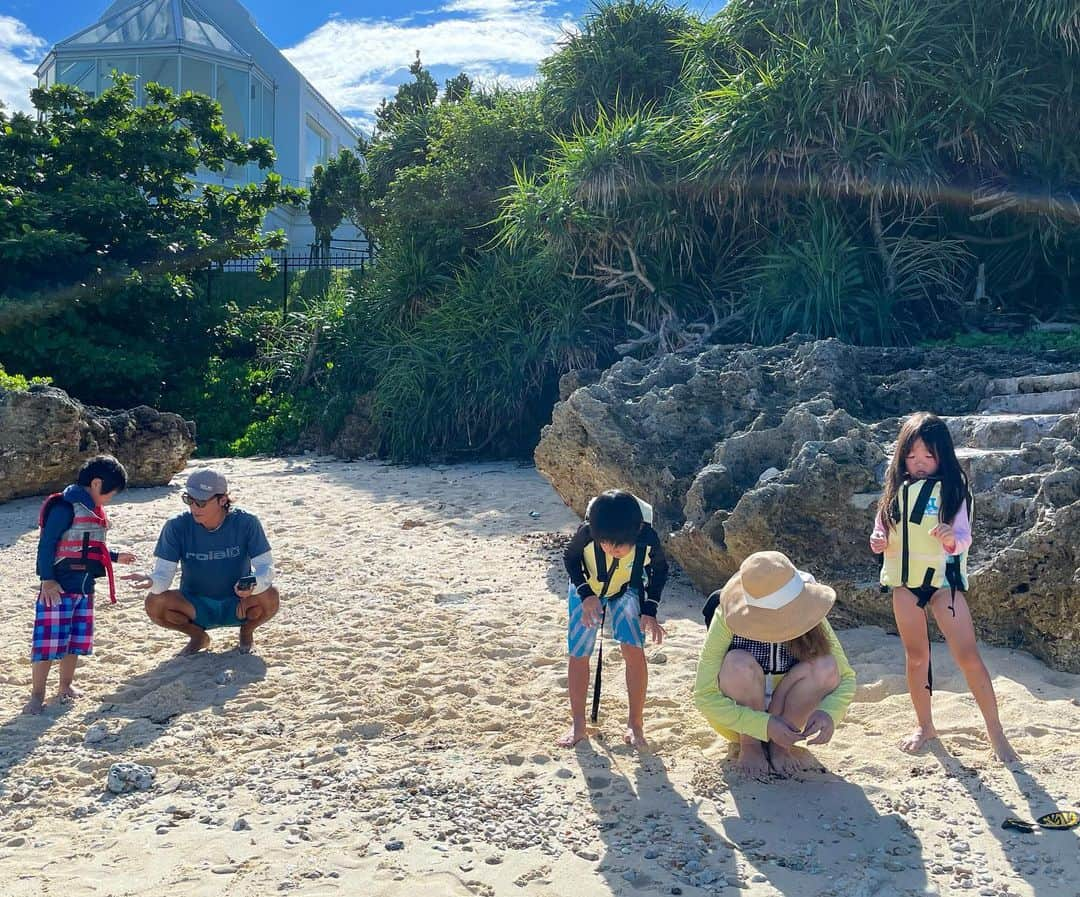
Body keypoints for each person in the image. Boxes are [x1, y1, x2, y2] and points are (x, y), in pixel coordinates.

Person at [870, 411, 1018, 762]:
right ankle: (925, 725)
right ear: (901, 455)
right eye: (912, 455)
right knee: (917, 657)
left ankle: (995, 730)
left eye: (928, 456)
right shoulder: (894, 493)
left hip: (943, 586)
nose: (919, 463)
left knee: (968, 656)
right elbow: (881, 530)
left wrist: (952, 538)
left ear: (943, 456)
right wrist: (877, 539)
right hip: (906, 586)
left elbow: (964, 538)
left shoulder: (953, 491)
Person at [694, 550, 856, 777]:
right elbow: (703, 695)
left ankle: (781, 746)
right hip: (738, 721)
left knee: (826, 666)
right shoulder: (727, 615)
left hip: (793, 712)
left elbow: (846, 677)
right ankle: (751, 745)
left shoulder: (810, 609)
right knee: (737, 663)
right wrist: (762, 725)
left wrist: (829, 713)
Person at [24, 455, 137, 715]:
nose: (110, 500)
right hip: (58, 589)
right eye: (111, 494)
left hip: (84, 590)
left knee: (74, 642)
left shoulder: (93, 512)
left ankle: (65, 686)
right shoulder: (64, 507)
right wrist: (47, 580)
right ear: (97, 484)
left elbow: (91, 550)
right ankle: (36, 696)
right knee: (47, 645)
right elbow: (47, 544)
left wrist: (117, 557)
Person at [558, 490, 668, 749]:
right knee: (579, 651)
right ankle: (578, 724)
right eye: (605, 542)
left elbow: (660, 570)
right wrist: (585, 595)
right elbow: (570, 559)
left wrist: (650, 610)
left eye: (619, 544)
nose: (612, 549)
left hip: (627, 588)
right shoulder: (587, 534)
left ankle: (635, 723)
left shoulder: (648, 539)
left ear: (637, 530)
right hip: (586, 587)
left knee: (633, 648)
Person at [136, 469, 279, 656]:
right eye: (189, 500)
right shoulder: (175, 526)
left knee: (270, 596)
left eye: (201, 502)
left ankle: (246, 632)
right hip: (195, 606)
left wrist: (254, 583)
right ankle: (198, 637)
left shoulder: (247, 522)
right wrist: (152, 581)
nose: (194, 507)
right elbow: (163, 575)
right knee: (154, 603)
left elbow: (266, 568)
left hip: (239, 603)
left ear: (222, 500)